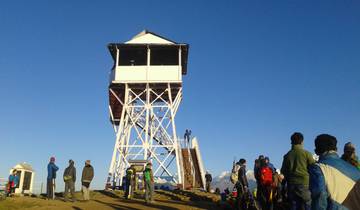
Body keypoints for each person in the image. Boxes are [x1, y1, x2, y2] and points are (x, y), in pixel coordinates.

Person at [309, 134, 360, 209]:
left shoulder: (318, 168)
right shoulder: (356, 170)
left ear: (317, 151)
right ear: (336, 149)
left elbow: (320, 196)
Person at [281, 132, 314, 210]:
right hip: (305, 183)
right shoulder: (307, 154)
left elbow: (283, 171)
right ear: (302, 142)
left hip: (291, 185)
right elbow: (313, 169)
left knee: (294, 205)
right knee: (307, 206)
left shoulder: (287, 156)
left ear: (291, 142)